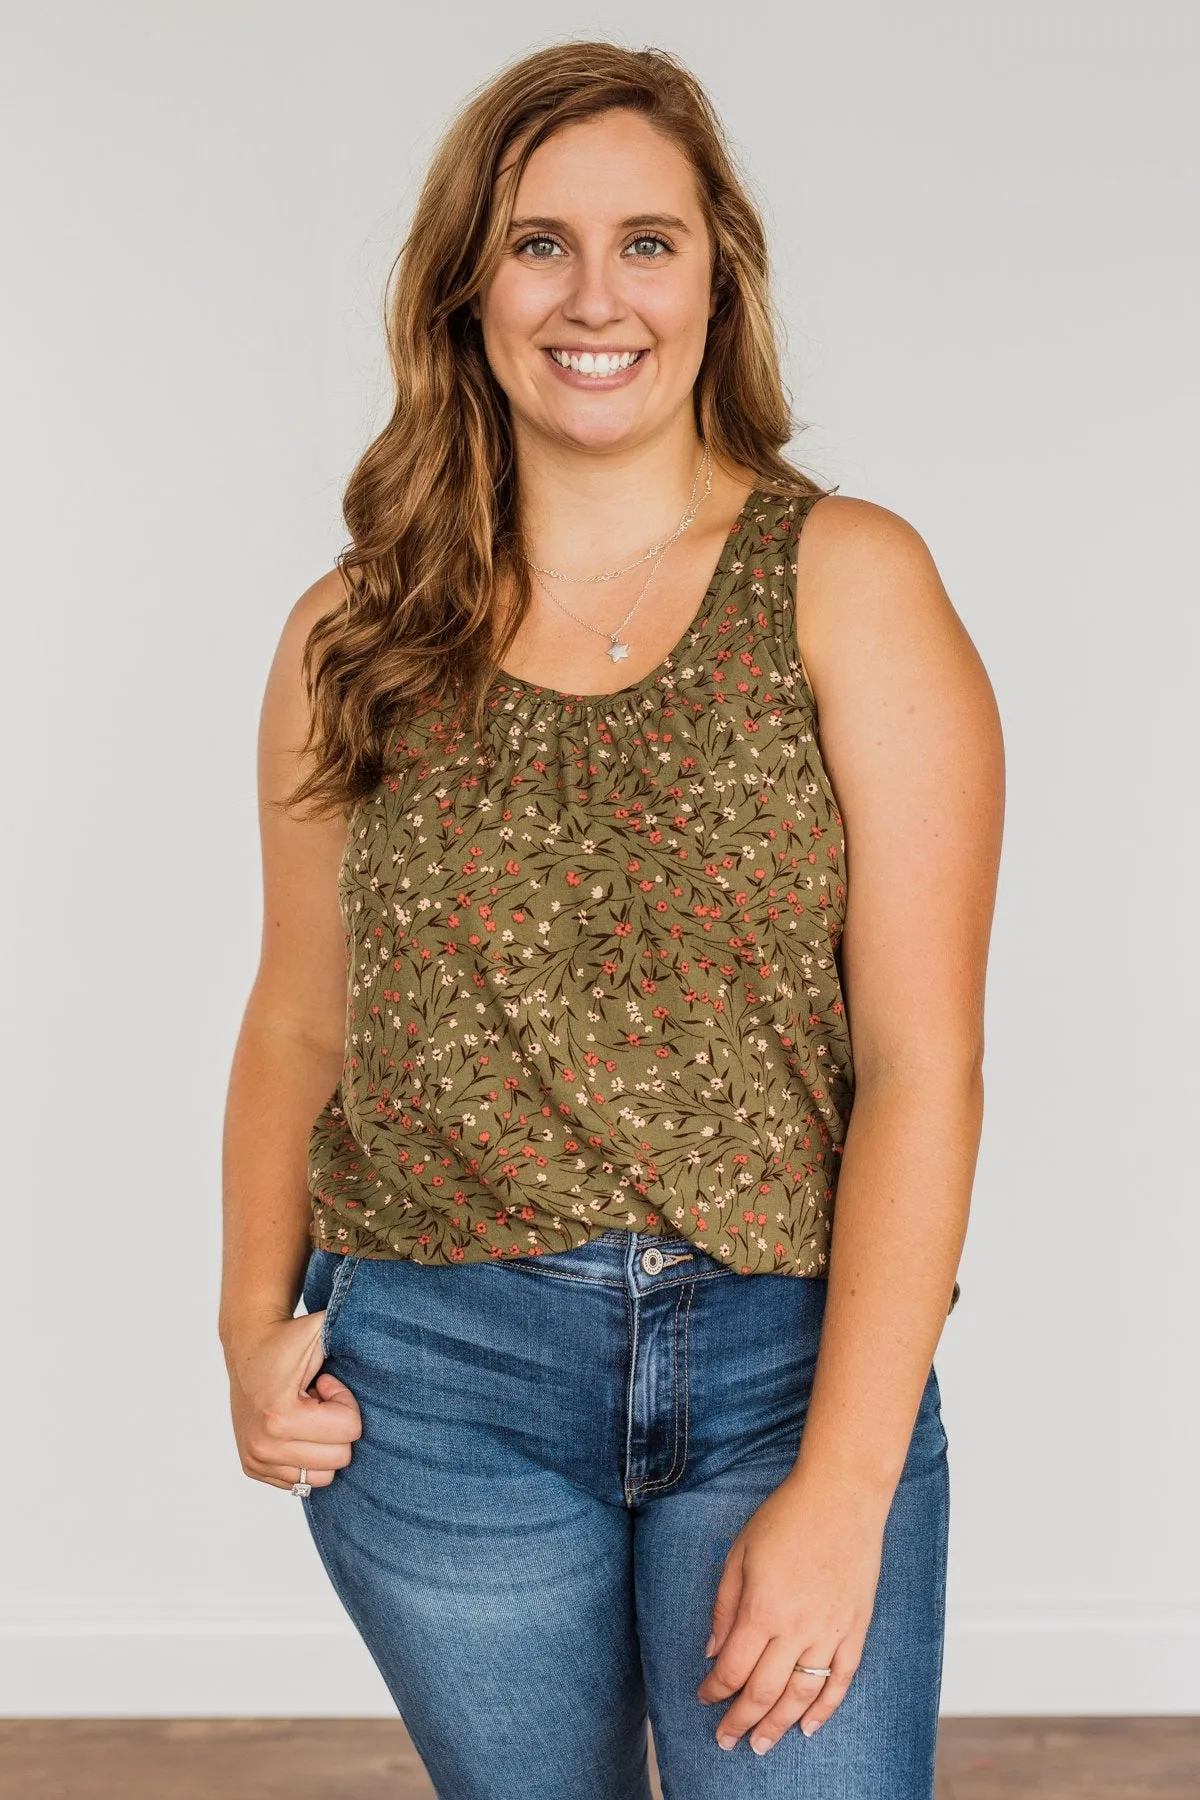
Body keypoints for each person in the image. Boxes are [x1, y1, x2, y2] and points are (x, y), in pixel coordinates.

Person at [219, 39, 1004, 1800]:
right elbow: (299, 1020)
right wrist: (243, 1321)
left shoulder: (848, 582)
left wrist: (846, 1482)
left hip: (779, 1370)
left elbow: (924, 1063)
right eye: (538, 242)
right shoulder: (351, 634)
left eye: (647, 241)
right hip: (437, 1382)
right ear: (466, 289)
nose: (596, 296)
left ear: (718, 275)